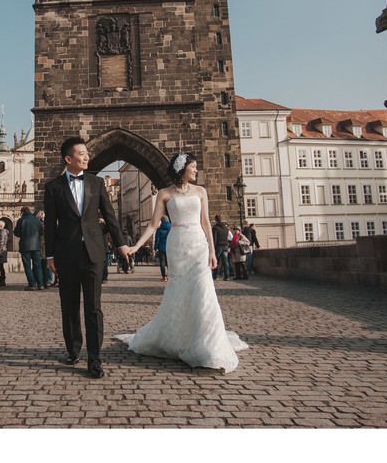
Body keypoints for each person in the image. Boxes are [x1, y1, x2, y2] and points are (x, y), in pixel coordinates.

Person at [118, 152, 249, 372]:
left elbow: (206, 222)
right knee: (179, 289)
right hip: (177, 244)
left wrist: (212, 251)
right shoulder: (165, 193)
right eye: (194, 167)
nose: (196, 170)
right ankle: (181, 337)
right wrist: (137, 246)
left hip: (198, 243)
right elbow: (153, 224)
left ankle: (207, 343)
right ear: (182, 169)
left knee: (203, 289)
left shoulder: (200, 191)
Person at [43, 137, 129, 379]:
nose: (86, 155)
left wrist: (121, 244)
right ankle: (73, 349)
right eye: (81, 152)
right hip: (66, 253)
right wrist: (49, 254)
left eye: (87, 152)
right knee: (69, 305)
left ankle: (95, 358)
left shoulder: (97, 182)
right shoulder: (53, 187)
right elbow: (50, 224)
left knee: (93, 307)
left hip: (94, 253)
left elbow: (110, 216)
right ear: (68, 159)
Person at [14, 206, 44, 290]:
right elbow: (42, 231)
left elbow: (16, 233)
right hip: (36, 245)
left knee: (27, 265)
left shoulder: (21, 220)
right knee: (38, 265)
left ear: (22, 212)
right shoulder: (36, 220)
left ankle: (32, 284)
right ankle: (40, 284)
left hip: (25, 245)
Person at [212, 215, 231, 281]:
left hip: (218, 246)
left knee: (216, 261)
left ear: (216, 220)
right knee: (225, 261)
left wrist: (213, 247)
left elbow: (214, 238)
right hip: (225, 245)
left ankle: (215, 276)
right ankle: (227, 276)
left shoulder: (215, 228)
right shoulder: (226, 228)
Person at [153, 216, 170, 282]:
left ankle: (164, 277)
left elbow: (157, 239)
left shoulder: (159, 229)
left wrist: (155, 248)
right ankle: (171, 276)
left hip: (161, 248)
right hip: (169, 247)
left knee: (162, 262)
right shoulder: (171, 228)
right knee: (169, 262)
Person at [0, 219, 9, 287]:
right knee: (0, 266)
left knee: (1, 266)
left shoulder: (2, 232)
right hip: (1, 250)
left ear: (0, 226)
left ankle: (2, 281)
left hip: (1, 251)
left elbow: (1, 243)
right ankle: (2, 281)